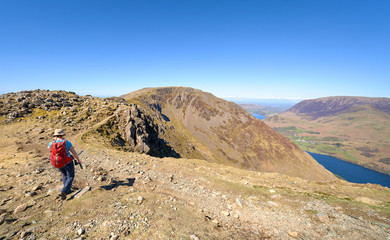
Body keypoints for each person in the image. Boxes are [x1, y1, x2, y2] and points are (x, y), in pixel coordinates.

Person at [48, 129, 82, 200]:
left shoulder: (51, 143)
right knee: (70, 176)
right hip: (67, 161)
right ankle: (64, 191)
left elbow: (48, 148)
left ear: (55, 136)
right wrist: (78, 160)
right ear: (62, 135)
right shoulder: (66, 142)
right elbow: (74, 153)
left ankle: (67, 189)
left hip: (57, 163)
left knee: (64, 175)